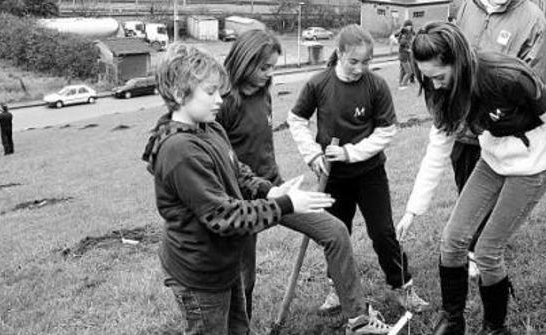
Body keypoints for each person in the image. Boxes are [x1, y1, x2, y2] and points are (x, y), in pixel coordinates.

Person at [395, 22, 546, 335]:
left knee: (487, 252)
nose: (434, 86)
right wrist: (413, 209)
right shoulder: (444, 93)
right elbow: (437, 151)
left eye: (439, 76)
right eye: (427, 78)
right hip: (491, 161)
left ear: (458, 63)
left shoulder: (507, 76)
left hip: (532, 166)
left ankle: (495, 328)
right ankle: (452, 320)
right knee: (452, 241)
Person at [141, 43, 335, 335]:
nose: (220, 99)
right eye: (210, 92)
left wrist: (269, 191)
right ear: (180, 95)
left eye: (220, 90)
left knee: (238, 328)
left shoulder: (210, 128)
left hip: (224, 263)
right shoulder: (181, 151)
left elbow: (236, 169)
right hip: (199, 274)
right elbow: (224, 215)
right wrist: (286, 205)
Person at [217, 30, 391, 333]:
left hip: (279, 190)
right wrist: (261, 187)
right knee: (244, 276)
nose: (270, 74)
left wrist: (276, 185)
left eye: (273, 66)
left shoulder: (262, 92)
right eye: (264, 68)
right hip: (243, 199)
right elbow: (225, 162)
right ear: (245, 61)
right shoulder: (223, 103)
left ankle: (358, 319)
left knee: (335, 231)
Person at [287, 24, 430, 313]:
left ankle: (402, 287)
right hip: (332, 178)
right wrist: (313, 155)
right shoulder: (319, 83)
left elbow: (386, 131)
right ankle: (337, 291)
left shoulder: (375, 85)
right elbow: (296, 120)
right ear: (339, 54)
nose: (360, 68)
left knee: (383, 232)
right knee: (335, 235)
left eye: (366, 62)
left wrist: (351, 153)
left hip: (369, 174)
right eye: (354, 61)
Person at [451, 0, 546, 277]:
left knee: (494, 183)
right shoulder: (468, 7)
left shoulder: (532, 17)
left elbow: (531, 78)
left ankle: (484, 251)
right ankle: (470, 245)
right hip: (463, 122)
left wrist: (496, 117)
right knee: (465, 182)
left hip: (497, 124)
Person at [395, 20, 416, 89]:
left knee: (406, 69)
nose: (409, 27)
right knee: (408, 71)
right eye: (408, 25)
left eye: (410, 25)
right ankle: (402, 84)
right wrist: (408, 48)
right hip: (404, 56)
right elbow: (403, 44)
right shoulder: (403, 37)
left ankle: (402, 82)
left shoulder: (408, 34)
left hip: (405, 55)